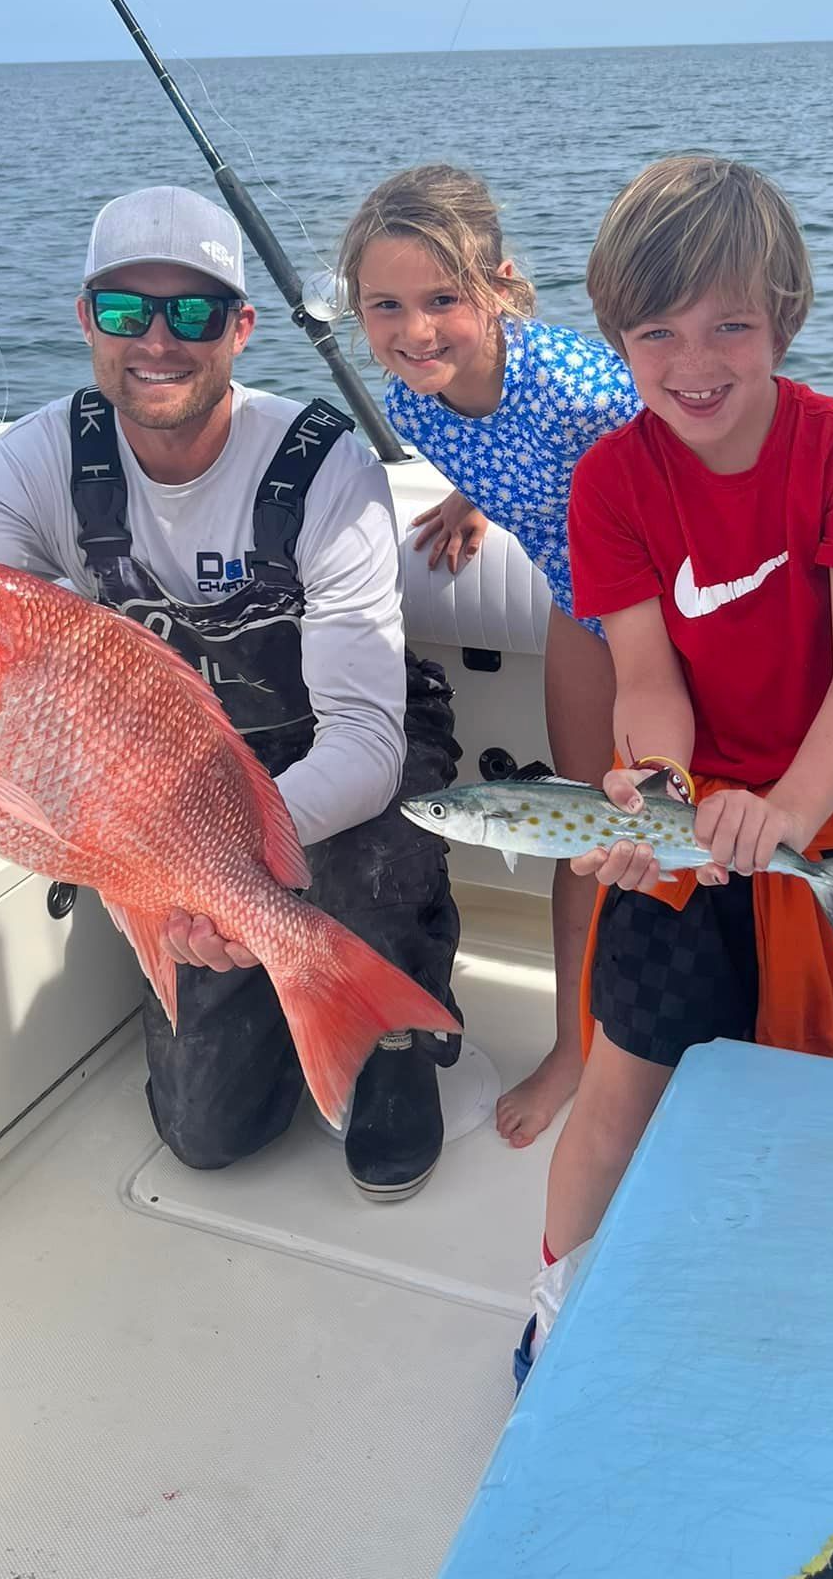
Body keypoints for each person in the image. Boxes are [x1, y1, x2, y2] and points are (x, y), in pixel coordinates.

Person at [0, 184, 462, 1199]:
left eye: (193, 312)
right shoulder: (35, 461)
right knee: (209, 1134)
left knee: (371, 854)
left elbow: (363, 736)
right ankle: (276, 984)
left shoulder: (322, 464)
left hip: (330, 761)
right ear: (86, 318)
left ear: (242, 327)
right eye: (126, 309)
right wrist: (195, 884)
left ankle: (393, 1027)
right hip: (171, 783)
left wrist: (233, 869)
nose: (158, 340)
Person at [519, 152, 833, 1383]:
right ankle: (559, 1309)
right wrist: (660, 789)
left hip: (826, 829)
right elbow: (646, 675)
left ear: (783, 316)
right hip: (684, 835)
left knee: (823, 1101)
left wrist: (785, 810)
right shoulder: (611, 481)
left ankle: (794, 1310)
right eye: (658, 332)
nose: (696, 362)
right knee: (623, 1085)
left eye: (730, 325)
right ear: (615, 339)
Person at [337, 165, 642, 1148]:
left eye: (442, 300)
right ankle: (576, 1042)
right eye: (385, 305)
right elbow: (506, 447)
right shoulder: (416, 405)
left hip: (668, 601)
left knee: (681, 817)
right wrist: (478, 499)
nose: (414, 330)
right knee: (581, 825)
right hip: (576, 596)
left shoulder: (582, 387)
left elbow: (680, 475)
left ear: (501, 288)